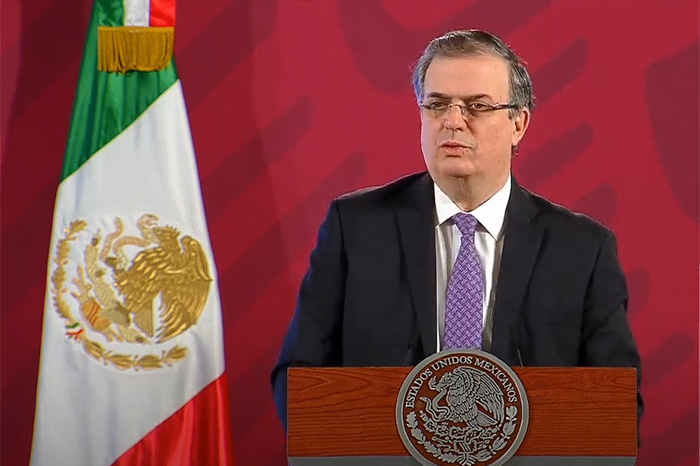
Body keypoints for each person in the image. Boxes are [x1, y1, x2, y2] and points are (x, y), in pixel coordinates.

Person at [271, 29, 643, 430]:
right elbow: (297, 379)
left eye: (476, 106)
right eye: (437, 105)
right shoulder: (356, 229)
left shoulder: (582, 249)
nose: (452, 122)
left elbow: (616, 406)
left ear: (518, 124)